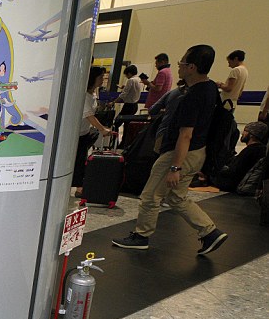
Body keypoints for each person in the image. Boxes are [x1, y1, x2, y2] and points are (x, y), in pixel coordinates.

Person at [113, 45, 229, 255]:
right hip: (197, 152)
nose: (179, 66)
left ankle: (141, 236)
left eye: (182, 62)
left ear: (192, 67)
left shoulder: (192, 97)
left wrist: (175, 167)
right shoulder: (210, 88)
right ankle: (210, 232)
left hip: (179, 154)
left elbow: (185, 135)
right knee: (176, 197)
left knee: (150, 195)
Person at [73, 67, 116, 197]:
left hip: (84, 132)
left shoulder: (93, 93)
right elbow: (88, 115)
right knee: (77, 160)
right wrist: (102, 129)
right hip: (75, 134)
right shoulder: (83, 95)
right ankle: (78, 187)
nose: (102, 79)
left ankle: (80, 187)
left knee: (81, 160)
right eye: (100, 77)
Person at [211, 121, 267, 192]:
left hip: (233, 184)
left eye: (245, 131)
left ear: (251, 135)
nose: (243, 133)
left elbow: (233, 171)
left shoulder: (250, 151)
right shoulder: (262, 149)